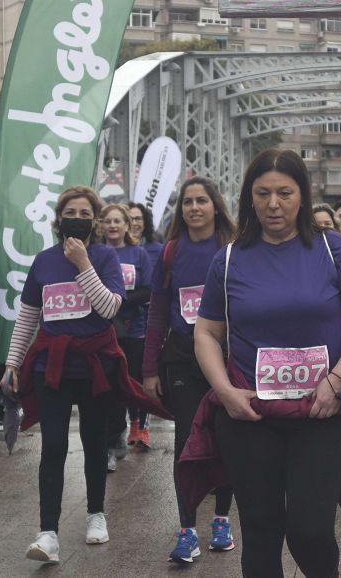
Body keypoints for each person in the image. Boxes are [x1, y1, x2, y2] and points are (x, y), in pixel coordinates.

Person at [194, 149, 341, 577]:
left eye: (284, 192)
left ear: (302, 196)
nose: (273, 204)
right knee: (260, 534)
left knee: (310, 531)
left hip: (323, 411)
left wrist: (337, 381)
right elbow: (206, 332)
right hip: (250, 415)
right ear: (249, 197)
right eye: (262, 193)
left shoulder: (331, 248)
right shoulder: (227, 259)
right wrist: (224, 391)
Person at [0, 185, 160, 563]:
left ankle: (95, 513)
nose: (78, 218)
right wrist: (12, 363)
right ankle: (48, 532)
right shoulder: (42, 261)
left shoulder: (105, 257)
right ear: (58, 219)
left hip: (95, 366)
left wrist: (83, 265)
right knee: (53, 446)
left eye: (86, 213)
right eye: (71, 211)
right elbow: (27, 316)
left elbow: (109, 309)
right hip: (51, 366)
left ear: (96, 221)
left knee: (94, 442)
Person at [141, 177, 238, 563]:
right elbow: (158, 311)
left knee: (227, 439)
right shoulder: (171, 252)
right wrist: (149, 367)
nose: (194, 207)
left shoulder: (233, 247)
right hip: (182, 358)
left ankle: (220, 520)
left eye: (201, 201)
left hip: (229, 358)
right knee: (185, 443)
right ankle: (185, 530)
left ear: (216, 205)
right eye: (187, 202)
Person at [99, 203, 154, 460]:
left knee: (132, 381)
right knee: (108, 385)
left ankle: (139, 426)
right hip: (104, 330)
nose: (112, 225)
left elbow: (148, 290)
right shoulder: (95, 254)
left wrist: (119, 300)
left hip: (134, 330)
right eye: (108, 221)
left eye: (117, 221)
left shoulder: (139, 254)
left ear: (126, 225)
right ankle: (113, 437)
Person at [129, 202, 165, 266]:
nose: (134, 223)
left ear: (145, 223)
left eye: (138, 219)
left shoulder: (159, 250)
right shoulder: (114, 250)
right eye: (130, 219)